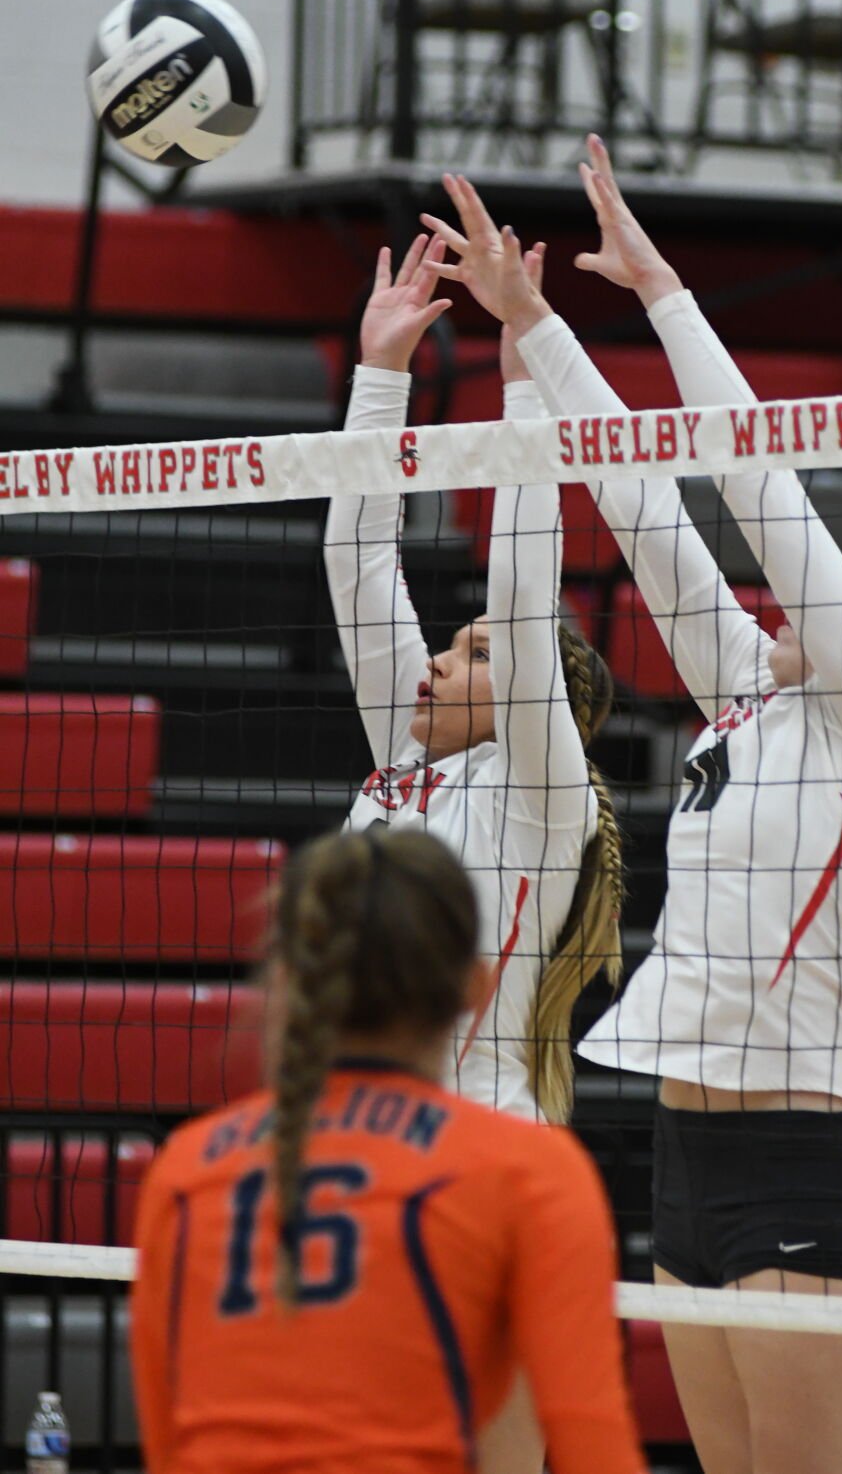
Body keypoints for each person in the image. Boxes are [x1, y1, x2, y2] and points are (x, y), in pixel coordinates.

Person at [422, 148, 842, 1474]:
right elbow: (638, 503)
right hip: (687, 1152)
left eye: (831, 596)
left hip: (804, 1160)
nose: (788, 604)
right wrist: (536, 325)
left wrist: (669, 294)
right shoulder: (748, 692)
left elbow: (757, 490)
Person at [130, 825, 648, 1474]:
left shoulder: (186, 1165)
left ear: (288, 980)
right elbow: (591, 1443)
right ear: (476, 989)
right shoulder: (528, 1172)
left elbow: (166, 1443)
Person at [322, 232, 623, 1130]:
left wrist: (524, 390)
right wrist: (381, 373)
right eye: (454, 645)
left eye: (476, 656)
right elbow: (360, 561)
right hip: (356, 1124)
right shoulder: (408, 756)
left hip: (476, 1137)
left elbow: (525, 599)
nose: (440, 663)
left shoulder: (537, 796)